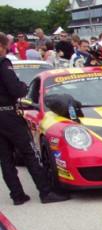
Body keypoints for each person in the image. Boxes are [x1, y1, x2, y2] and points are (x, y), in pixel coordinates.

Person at [0, 33, 68, 205]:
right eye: (6, 45)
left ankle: (17, 196)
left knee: (5, 158)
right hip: (8, 114)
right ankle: (46, 192)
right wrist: (23, 86)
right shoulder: (3, 63)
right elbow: (17, 90)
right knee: (30, 152)